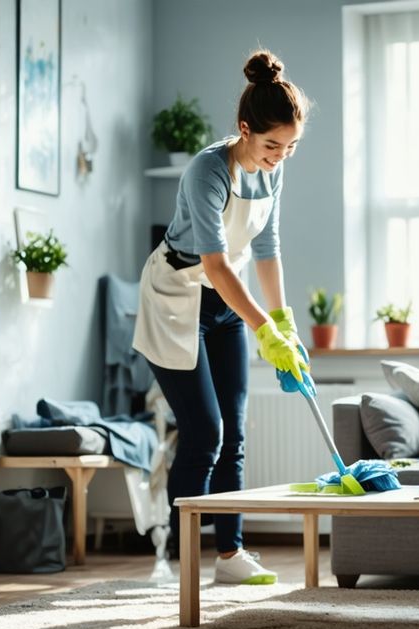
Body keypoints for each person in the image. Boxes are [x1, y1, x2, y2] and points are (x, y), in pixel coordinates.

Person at [132, 49, 310, 585]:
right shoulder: (208, 170)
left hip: (226, 302)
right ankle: (177, 558)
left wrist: (284, 320)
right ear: (244, 130)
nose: (280, 156)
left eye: (291, 146)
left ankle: (230, 556)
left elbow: (267, 249)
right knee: (204, 431)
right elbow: (213, 261)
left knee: (235, 431)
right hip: (175, 295)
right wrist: (265, 327)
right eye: (271, 144)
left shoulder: (271, 175)